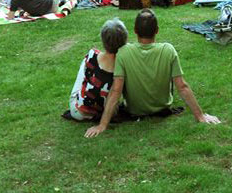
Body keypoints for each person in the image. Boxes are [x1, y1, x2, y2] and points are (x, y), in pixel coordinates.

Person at [85, 9, 221, 137]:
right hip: (162, 108)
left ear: (135, 31)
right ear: (157, 30)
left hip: (134, 111)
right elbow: (182, 86)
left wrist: (102, 125)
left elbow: (116, 90)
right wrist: (200, 116)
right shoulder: (168, 50)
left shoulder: (123, 53)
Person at [66, 19, 129, 121]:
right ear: (125, 40)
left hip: (78, 112)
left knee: (87, 63)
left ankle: (82, 99)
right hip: (108, 112)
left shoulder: (92, 55)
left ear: (103, 39)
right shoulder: (123, 66)